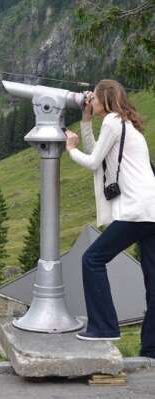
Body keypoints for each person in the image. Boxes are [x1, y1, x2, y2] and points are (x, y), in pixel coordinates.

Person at [65, 79, 155, 356]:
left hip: (136, 209)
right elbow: (100, 154)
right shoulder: (126, 124)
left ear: (105, 98)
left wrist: (70, 148)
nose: (90, 101)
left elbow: (92, 162)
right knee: (153, 281)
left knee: (92, 259)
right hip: (151, 209)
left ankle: (104, 327)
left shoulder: (113, 122)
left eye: (93, 98)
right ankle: (151, 348)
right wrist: (86, 120)